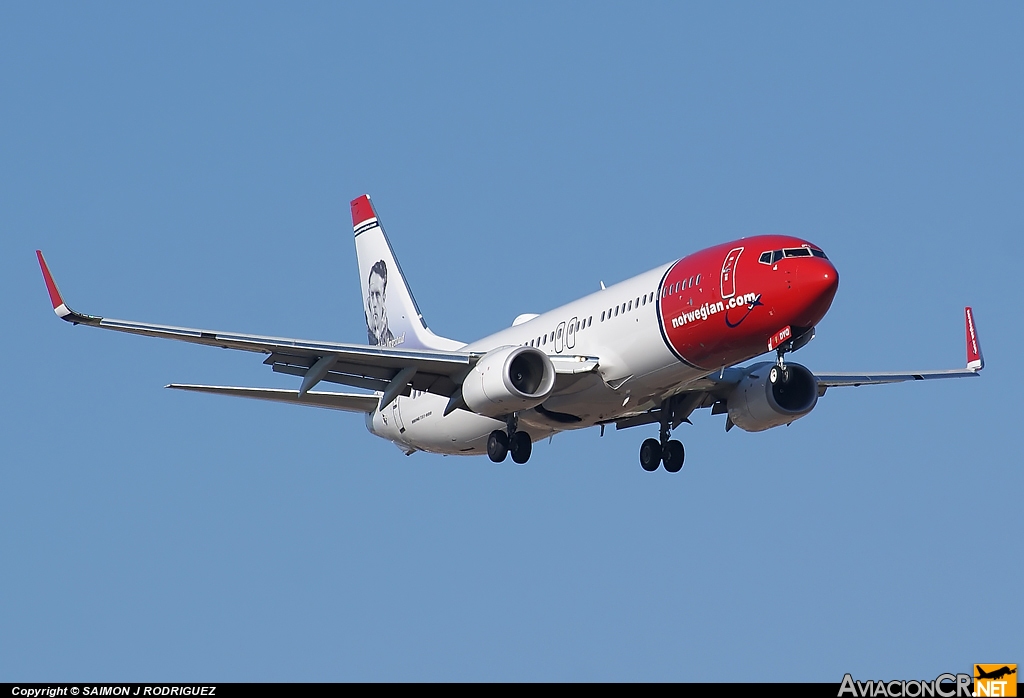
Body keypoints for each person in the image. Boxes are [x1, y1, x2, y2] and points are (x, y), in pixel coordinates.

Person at [365, 260, 394, 346]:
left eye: (377, 295)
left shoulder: (392, 339)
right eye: (371, 294)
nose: (374, 303)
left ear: (383, 298)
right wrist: (372, 332)